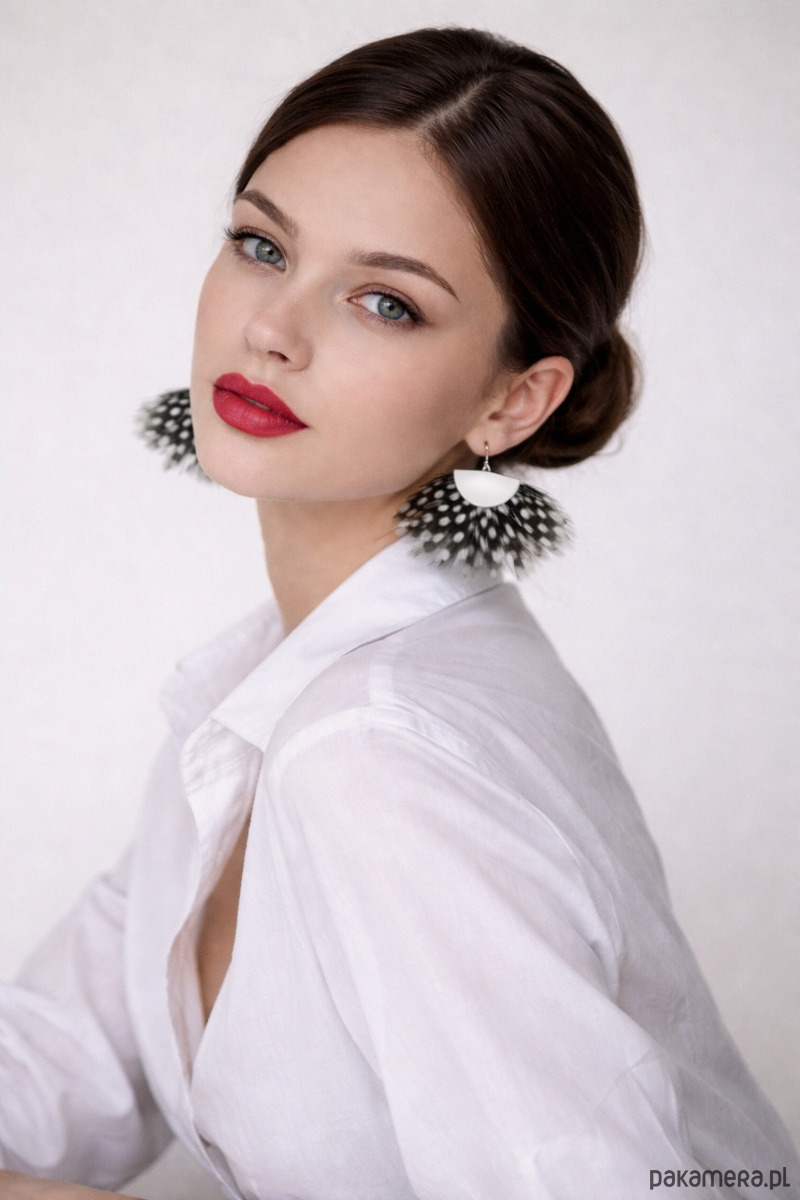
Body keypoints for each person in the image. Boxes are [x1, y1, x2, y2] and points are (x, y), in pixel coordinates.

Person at [1, 25, 797, 1200]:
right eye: (261, 245)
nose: (272, 329)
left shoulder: (378, 752)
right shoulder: (257, 697)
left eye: (384, 302)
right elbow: (55, 1073)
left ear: (512, 401)